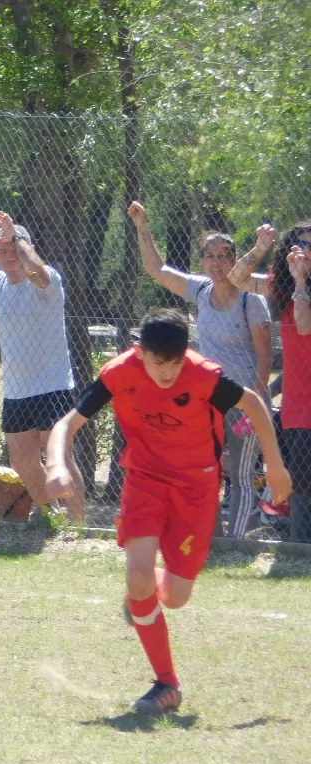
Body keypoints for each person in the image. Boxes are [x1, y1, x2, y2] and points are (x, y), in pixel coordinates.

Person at [44, 309, 290, 714]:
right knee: (138, 577)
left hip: (197, 485)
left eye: (175, 363)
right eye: (159, 363)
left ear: (185, 354)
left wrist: (275, 466)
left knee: (173, 597)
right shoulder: (121, 372)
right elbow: (67, 424)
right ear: (141, 353)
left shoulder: (203, 376)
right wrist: (55, 465)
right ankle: (167, 684)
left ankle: (142, 595)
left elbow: (254, 406)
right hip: (144, 479)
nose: (168, 372)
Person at [127, 201, 272, 537]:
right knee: (205, 471)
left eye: (224, 256)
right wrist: (142, 226)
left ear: (235, 260)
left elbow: (265, 357)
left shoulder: (252, 299)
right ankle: (213, 539)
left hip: (243, 402)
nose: (217, 263)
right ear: (202, 261)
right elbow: (157, 270)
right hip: (207, 400)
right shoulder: (201, 289)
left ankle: (234, 544)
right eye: (210, 256)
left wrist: (258, 405)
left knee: (240, 473)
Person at [0, 210, 83, 524]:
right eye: (4, 251)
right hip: (17, 391)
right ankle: (53, 516)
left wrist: (17, 237)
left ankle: (79, 527)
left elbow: (35, 271)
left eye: (16, 248)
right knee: (22, 461)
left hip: (53, 386)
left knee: (59, 458)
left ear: (27, 246)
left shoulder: (46, 279)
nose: (11, 256)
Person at [229, 221, 311, 541]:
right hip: (298, 403)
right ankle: (301, 546)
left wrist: (301, 280)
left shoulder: (297, 285)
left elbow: (303, 326)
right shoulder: (283, 286)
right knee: (301, 481)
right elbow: (236, 279)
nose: (305, 250)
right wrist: (260, 246)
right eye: (300, 243)